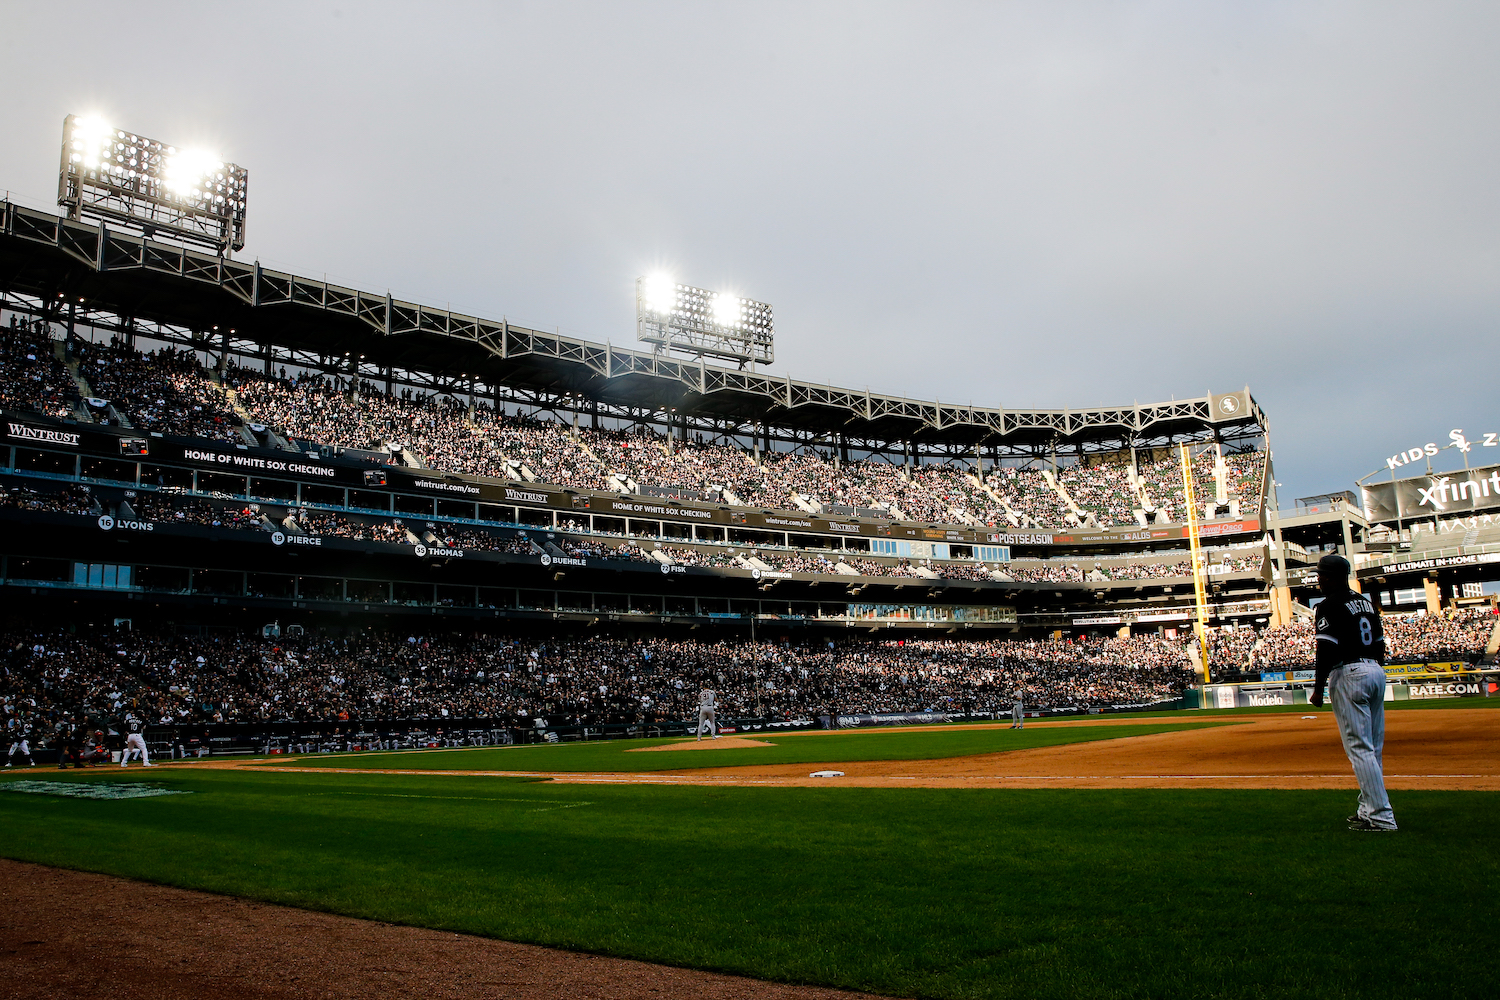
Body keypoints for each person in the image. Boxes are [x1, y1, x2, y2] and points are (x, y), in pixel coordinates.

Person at [1308, 553, 1396, 832]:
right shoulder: (1365, 603)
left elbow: (1326, 649)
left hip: (1350, 673)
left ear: (1332, 577)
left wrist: (1319, 688)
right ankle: (1368, 810)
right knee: (1373, 748)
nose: (1318, 579)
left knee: (1360, 749)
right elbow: (1380, 644)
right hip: (1375, 671)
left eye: (1321, 575)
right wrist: (1374, 671)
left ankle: (1382, 817)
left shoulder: (1328, 605)